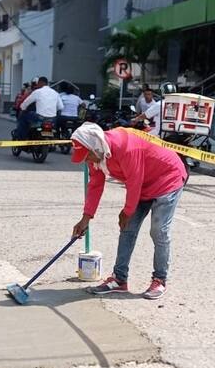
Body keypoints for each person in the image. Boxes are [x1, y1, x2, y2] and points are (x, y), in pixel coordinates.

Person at [70, 123, 187, 300]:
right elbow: (95, 185)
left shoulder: (125, 147)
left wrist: (127, 211)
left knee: (158, 231)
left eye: (88, 156)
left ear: (96, 146)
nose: (88, 161)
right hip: (142, 184)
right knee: (127, 229)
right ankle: (119, 279)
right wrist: (85, 219)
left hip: (166, 179)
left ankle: (160, 280)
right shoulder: (98, 155)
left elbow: (134, 181)